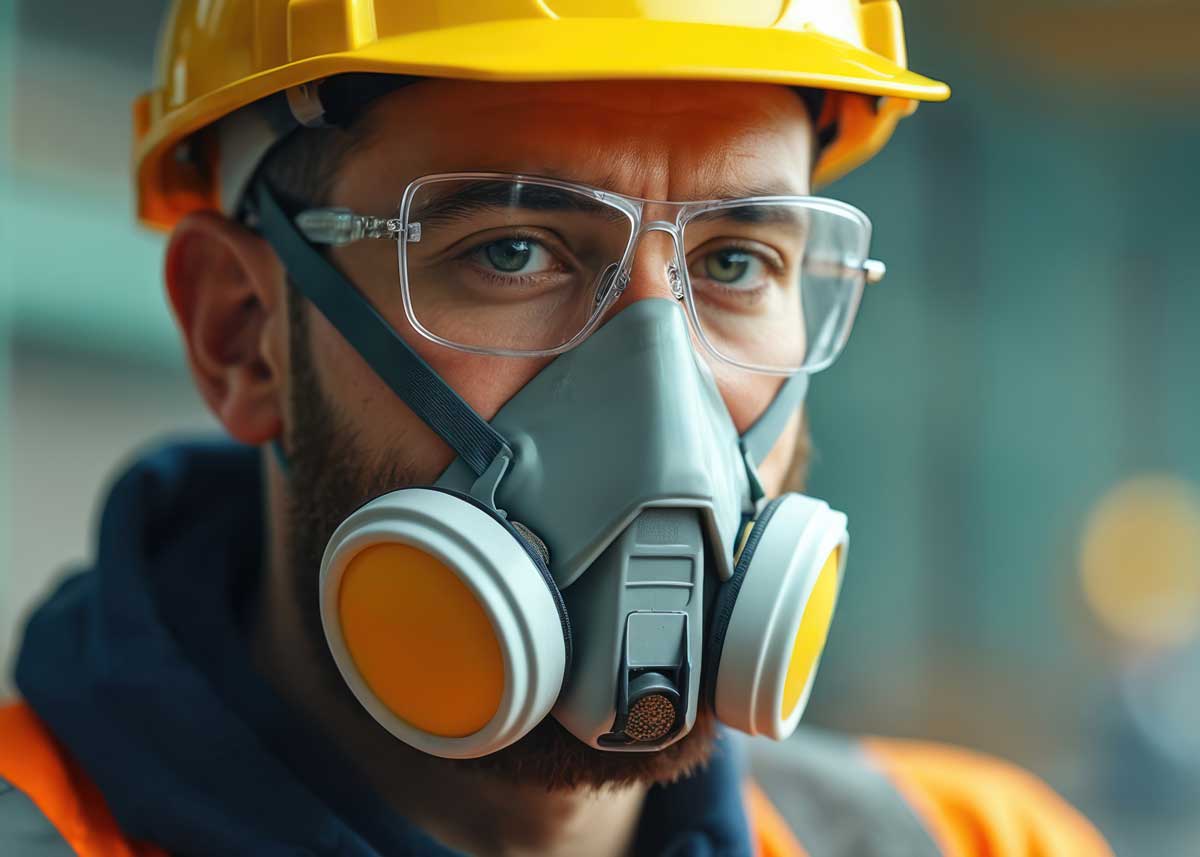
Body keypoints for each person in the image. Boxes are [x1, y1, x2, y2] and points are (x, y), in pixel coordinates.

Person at [0, 3, 1113, 855]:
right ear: (243, 334)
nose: (667, 407)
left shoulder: (981, 836)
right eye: (512, 251)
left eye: (735, 262)